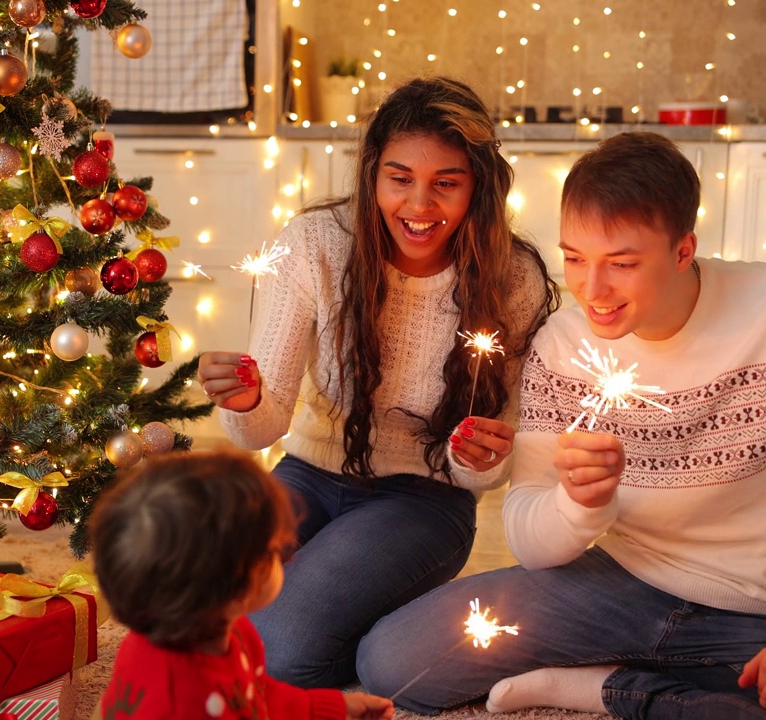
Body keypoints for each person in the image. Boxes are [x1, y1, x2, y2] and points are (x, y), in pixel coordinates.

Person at [356, 132, 766, 719]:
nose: (592, 291)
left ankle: (609, 690)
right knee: (393, 663)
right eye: (576, 259)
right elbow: (530, 536)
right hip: (618, 587)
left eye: (622, 264)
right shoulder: (563, 348)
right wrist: (581, 505)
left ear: (684, 251)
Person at [195, 75, 560, 688]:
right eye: (400, 179)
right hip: (306, 475)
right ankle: (361, 610)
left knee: (280, 653)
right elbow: (259, 431)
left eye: (446, 184)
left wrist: (478, 456)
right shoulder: (316, 245)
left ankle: (379, 640)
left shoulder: (511, 279)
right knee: (196, 610)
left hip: (423, 499)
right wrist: (247, 398)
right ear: (372, 176)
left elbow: (486, 469)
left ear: (479, 187)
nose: (419, 207)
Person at [91, 450, 394, 719]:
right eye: (276, 550)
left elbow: (253, 694)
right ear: (237, 590)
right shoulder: (176, 703)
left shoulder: (232, 630)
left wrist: (328, 709)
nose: (287, 556)